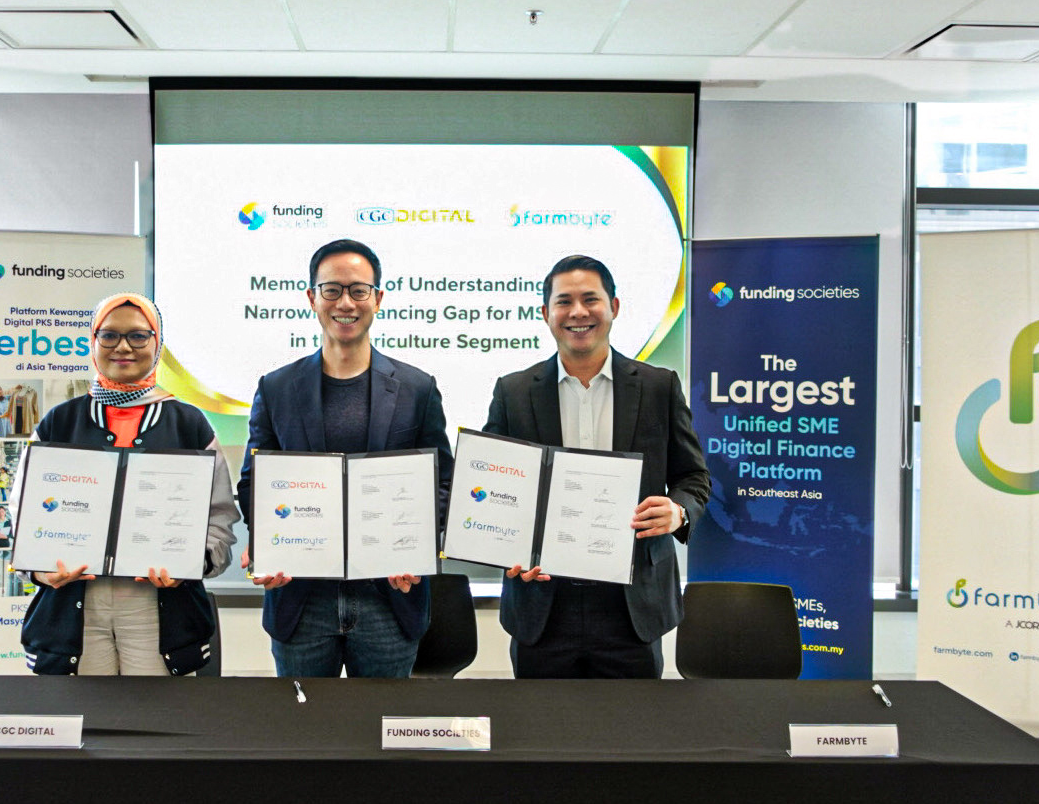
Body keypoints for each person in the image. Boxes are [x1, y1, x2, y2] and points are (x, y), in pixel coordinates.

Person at [483, 254, 711, 678]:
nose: (578, 312)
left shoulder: (659, 386)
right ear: (545, 313)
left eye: (591, 299)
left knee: (631, 737)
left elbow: (693, 476)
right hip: (542, 602)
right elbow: (489, 487)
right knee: (541, 737)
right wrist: (505, 547)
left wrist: (677, 511)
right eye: (564, 301)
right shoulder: (513, 393)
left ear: (614, 307)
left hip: (631, 604)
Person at [237, 239, 453, 678]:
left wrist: (418, 547)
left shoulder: (417, 388)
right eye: (332, 290)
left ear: (378, 298)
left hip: (388, 598)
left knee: (382, 735)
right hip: (301, 599)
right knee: (304, 734)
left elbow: (441, 483)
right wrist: (267, 545)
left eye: (359, 290)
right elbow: (254, 482)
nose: (346, 303)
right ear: (312, 298)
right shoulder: (276, 387)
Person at [20, 292, 240, 676]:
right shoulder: (59, 422)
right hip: (76, 605)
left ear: (157, 345)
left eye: (139, 336)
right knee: (87, 723)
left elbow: (218, 516)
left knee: (156, 723)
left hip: (157, 607)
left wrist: (191, 563)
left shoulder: (190, 424)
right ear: (93, 341)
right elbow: (21, 511)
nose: (123, 346)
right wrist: (38, 571)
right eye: (109, 335)